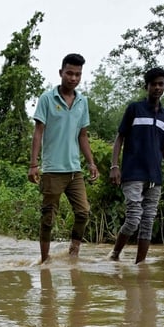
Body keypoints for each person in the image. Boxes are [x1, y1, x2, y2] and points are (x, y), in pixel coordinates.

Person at [28, 53, 100, 263]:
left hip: (74, 171)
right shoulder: (47, 99)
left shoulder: (82, 102)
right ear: (61, 73)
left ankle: (73, 254)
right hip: (52, 170)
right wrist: (34, 164)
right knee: (48, 217)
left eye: (78, 74)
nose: (73, 78)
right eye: (69, 73)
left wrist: (91, 162)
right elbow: (38, 132)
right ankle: (45, 260)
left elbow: (83, 135)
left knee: (83, 213)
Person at [109, 67, 164, 263]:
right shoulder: (135, 108)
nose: (158, 88)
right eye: (154, 84)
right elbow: (120, 138)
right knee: (133, 219)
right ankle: (115, 254)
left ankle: (140, 265)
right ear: (147, 86)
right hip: (133, 173)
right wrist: (114, 166)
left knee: (148, 222)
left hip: (155, 177)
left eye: (161, 84)